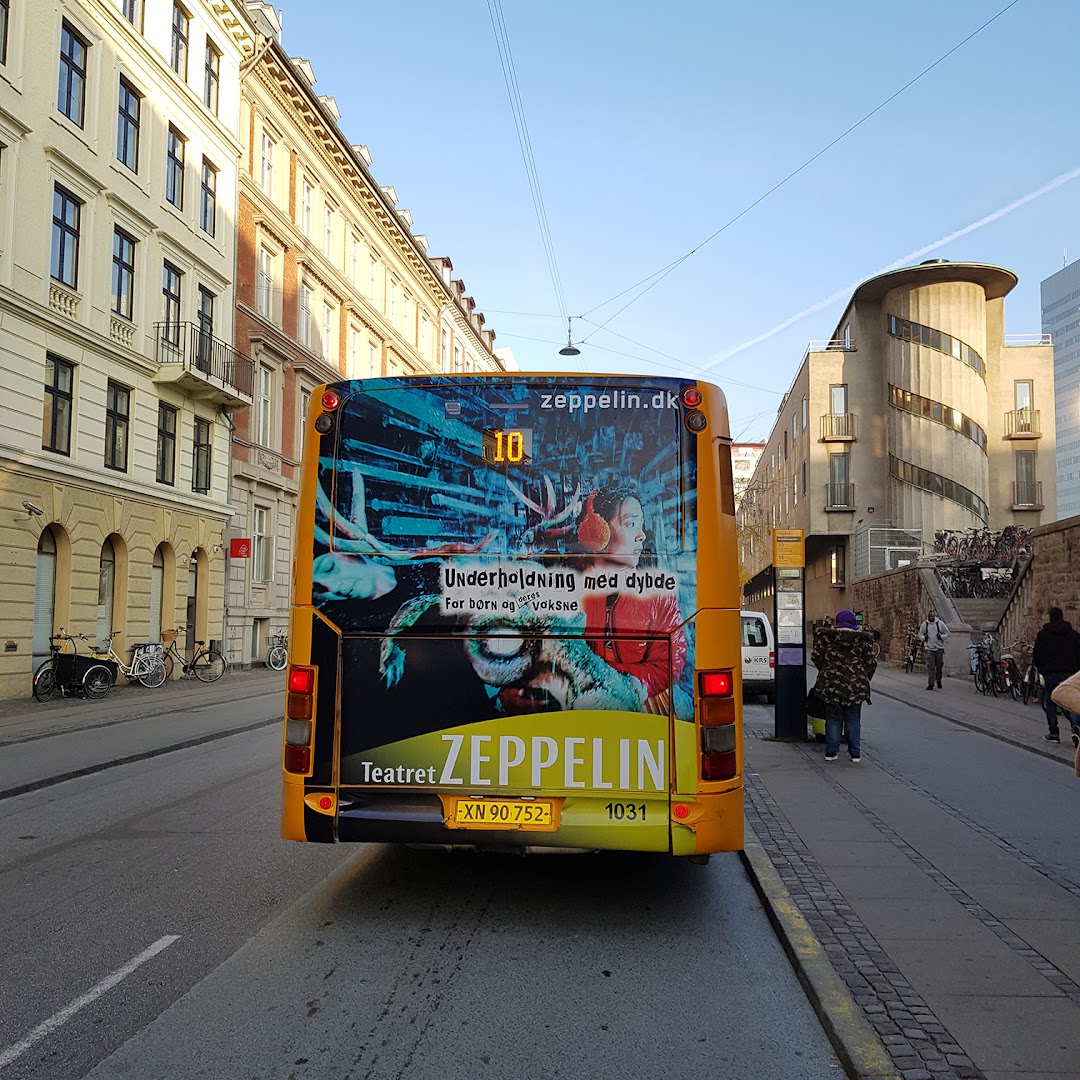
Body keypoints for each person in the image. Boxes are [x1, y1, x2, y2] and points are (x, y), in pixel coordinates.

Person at [577, 484, 687, 713]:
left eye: (641, 525)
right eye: (630, 524)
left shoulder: (659, 597)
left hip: (642, 708)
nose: (641, 535)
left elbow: (668, 664)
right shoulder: (568, 590)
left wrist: (612, 681)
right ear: (599, 532)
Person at [810, 609, 877, 763]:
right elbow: (871, 663)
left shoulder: (827, 638)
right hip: (855, 686)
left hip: (831, 685)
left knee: (833, 719)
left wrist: (826, 671)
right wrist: (864, 677)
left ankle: (831, 752)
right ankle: (855, 754)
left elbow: (816, 657)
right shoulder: (862, 640)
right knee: (853, 719)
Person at [1033, 607, 1080, 744]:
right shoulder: (1073, 635)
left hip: (1050, 673)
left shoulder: (1043, 635)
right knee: (1072, 701)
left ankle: (1054, 733)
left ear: (1050, 618)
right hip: (1070, 673)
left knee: (1051, 703)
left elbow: (1038, 655)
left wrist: (1042, 670)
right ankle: (1076, 727)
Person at [917, 607, 950, 690]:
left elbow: (947, 633)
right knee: (931, 666)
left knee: (939, 666)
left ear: (934, 616)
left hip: (939, 648)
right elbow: (920, 634)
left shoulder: (940, 624)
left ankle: (938, 680)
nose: (930, 618)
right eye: (929, 616)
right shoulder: (925, 624)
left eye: (932, 616)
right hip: (929, 648)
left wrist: (941, 636)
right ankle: (931, 683)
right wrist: (924, 638)